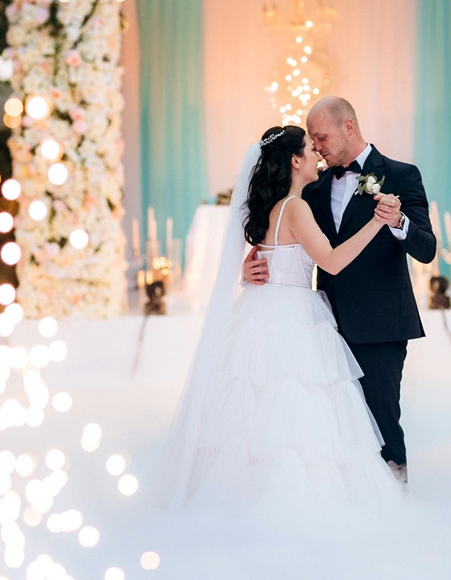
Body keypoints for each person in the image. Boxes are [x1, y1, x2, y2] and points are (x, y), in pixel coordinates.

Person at [157, 125, 404, 510]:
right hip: (292, 315)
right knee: (295, 406)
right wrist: (376, 221)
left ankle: (248, 495)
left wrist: (246, 271)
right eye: (310, 148)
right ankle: (296, 502)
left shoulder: (271, 207)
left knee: (257, 407)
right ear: (295, 160)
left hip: (260, 309)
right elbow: (331, 262)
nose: (317, 154)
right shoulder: (295, 207)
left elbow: (268, 257)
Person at [244, 96, 436, 485]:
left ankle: (395, 498)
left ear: (348, 126)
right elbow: (283, 235)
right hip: (323, 327)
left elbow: (427, 248)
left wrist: (397, 220)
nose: (316, 147)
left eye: (322, 137)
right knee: (332, 427)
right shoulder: (311, 187)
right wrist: (252, 264)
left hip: (380, 323)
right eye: (311, 140)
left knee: (382, 420)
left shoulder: (401, 175)